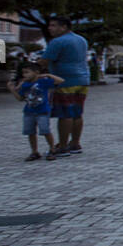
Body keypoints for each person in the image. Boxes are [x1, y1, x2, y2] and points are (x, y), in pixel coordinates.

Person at [40, 16, 90, 156]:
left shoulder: (57, 42)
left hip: (65, 80)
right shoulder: (81, 40)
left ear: (64, 27)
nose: (50, 28)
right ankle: (75, 143)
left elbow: (45, 61)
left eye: (53, 25)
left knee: (65, 114)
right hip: (83, 80)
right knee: (77, 113)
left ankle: (62, 146)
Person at [8, 63, 64, 160]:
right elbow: (20, 98)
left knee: (45, 131)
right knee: (30, 132)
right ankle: (34, 151)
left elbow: (60, 81)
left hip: (42, 111)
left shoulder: (43, 82)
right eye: (23, 73)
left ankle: (52, 149)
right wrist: (13, 90)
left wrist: (48, 75)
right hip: (29, 111)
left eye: (27, 72)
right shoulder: (25, 85)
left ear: (36, 72)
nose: (24, 75)